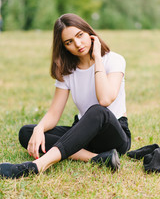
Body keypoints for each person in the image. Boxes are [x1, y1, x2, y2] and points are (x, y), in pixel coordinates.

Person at [0, 13, 131, 179]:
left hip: (113, 134)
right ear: (64, 46)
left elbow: (105, 99)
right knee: (28, 133)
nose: (77, 44)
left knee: (98, 110)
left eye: (80, 35)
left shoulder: (114, 60)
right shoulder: (68, 70)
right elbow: (54, 114)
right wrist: (39, 129)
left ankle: (38, 166)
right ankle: (97, 159)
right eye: (69, 42)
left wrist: (97, 56)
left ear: (89, 33)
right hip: (85, 133)